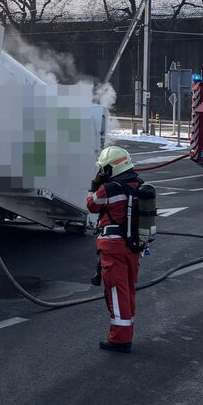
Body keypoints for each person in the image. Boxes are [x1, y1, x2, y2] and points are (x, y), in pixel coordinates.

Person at [86, 146, 144, 353]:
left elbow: (92, 205)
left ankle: (120, 339)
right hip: (133, 247)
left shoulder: (109, 189)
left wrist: (95, 184)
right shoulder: (139, 184)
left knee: (116, 292)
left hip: (113, 247)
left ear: (109, 169)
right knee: (127, 290)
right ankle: (127, 331)